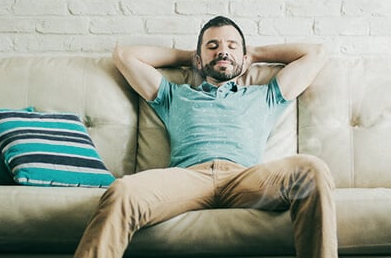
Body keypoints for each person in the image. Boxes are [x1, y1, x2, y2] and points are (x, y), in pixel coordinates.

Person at [74, 16, 336, 258]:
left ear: (243, 59)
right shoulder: (173, 95)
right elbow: (125, 55)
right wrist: (192, 55)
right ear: (198, 60)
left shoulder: (266, 95)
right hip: (188, 177)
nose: (222, 51)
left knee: (312, 170)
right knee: (122, 190)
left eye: (232, 46)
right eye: (212, 46)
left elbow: (316, 53)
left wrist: (253, 54)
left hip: (245, 177)